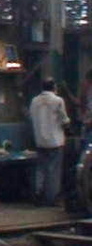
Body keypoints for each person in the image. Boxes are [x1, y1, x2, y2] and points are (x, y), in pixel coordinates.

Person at [29, 77, 69, 207]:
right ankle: (51, 198)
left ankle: (38, 193)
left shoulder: (34, 101)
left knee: (41, 169)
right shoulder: (58, 100)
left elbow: (30, 116)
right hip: (55, 141)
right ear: (54, 87)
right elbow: (65, 120)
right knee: (53, 171)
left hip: (39, 140)